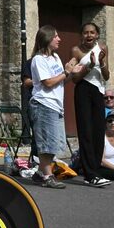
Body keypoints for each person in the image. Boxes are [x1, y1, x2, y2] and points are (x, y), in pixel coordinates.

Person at [28, 25, 78, 189]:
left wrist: (71, 72)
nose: (59, 39)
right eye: (56, 36)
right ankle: (47, 176)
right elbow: (48, 83)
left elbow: (61, 81)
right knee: (46, 143)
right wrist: (65, 72)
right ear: (47, 39)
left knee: (54, 143)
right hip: (43, 104)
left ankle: (39, 173)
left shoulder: (55, 57)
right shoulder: (38, 59)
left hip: (55, 105)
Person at [69, 22, 111, 187]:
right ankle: (89, 174)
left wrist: (100, 63)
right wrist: (90, 66)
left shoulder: (103, 48)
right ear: (81, 35)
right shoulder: (76, 51)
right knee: (86, 131)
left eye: (92, 32)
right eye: (86, 33)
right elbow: (74, 78)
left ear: (97, 34)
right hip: (83, 90)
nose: (89, 35)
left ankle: (95, 170)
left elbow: (106, 76)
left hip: (98, 91)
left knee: (98, 132)